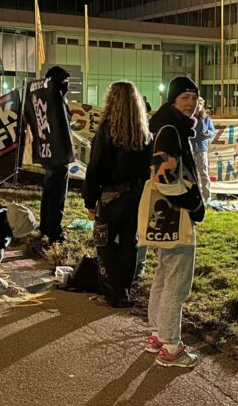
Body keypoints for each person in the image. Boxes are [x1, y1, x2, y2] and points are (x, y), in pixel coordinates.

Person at [145, 76, 207, 368]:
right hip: (176, 215)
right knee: (177, 283)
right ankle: (171, 346)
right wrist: (193, 203)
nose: (191, 104)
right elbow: (165, 178)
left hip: (165, 216)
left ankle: (158, 334)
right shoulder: (172, 130)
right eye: (185, 98)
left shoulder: (170, 126)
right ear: (172, 100)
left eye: (194, 98)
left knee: (163, 276)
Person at [82, 82, 153, 308]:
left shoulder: (107, 130)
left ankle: (113, 292)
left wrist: (89, 199)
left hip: (111, 196)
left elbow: (95, 168)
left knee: (103, 242)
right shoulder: (144, 132)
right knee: (129, 244)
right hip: (137, 195)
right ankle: (124, 290)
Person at [25, 66, 75, 246]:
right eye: (64, 81)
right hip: (58, 153)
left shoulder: (39, 97)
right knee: (56, 194)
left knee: (48, 190)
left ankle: (46, 225)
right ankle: (54, 230)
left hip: (47, 152)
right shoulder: (55, 100)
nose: (66, 85)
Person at [192, 97, 215, 204]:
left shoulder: (206, 118)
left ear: (202, 106)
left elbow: (212, 131)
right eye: (196, 105)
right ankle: (194, 197)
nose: (198, 107)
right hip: (191, 147)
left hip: (201, 148)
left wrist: (208, 133)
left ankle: (206, 198)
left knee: (203, 173)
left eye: (199, 105)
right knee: (192, 174)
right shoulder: (190, 117)